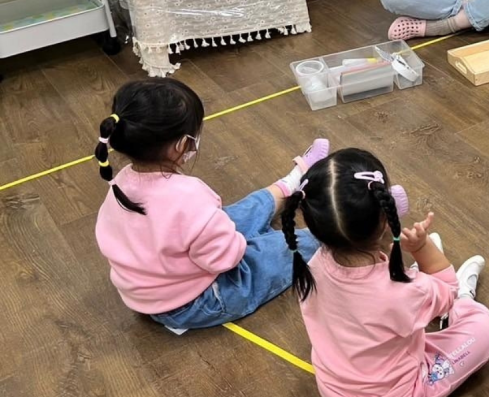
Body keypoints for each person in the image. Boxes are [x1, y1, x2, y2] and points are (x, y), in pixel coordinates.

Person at [93, 79, 328, 330]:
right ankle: (334, 226)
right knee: (286, 246)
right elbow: (226, 259)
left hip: (154, 289)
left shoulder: (120, 182)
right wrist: (242, 240)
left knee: (234, 215)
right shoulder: (189, 197)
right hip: (194, 302)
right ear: (181, 145)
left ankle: (292, 183)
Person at [284, 148, 489, 397]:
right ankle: (463, 302)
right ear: (386, 216)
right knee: (484, 325)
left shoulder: (311, 267)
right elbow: (448, 288)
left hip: (335, 390)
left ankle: (426, 292)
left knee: (409, 305)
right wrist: (422, 248)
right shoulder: (401, 292)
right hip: (401, 391)